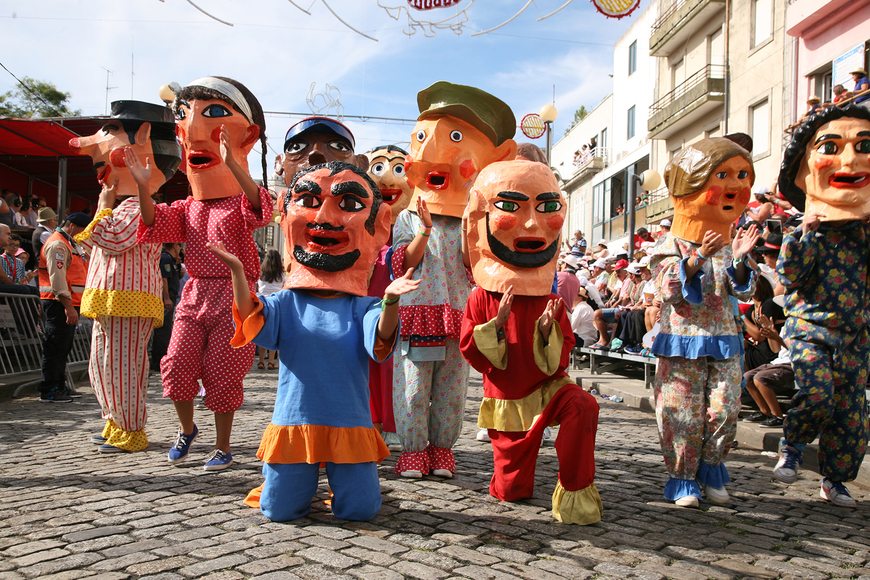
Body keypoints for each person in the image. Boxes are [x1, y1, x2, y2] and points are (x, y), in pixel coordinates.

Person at [227, 160, 418, 522]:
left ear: (378, 226)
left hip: (350, 423)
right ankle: (278, 479)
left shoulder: (363, 306)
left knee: (360, 510)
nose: (326, 218)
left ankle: (347, 485)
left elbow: (379, 340)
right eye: (309, 201)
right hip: (295, 422)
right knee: (279, 510)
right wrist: (239, 272)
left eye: (348, 204)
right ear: (286, 216)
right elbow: (253, 318)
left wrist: (391, 300)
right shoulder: (286, 303)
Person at [137, 76, 273, 470]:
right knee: (176, 368)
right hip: (194, 293)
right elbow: (152, 222)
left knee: (223, 374)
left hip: (236, 297)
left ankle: (224, 447)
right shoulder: (185, 208)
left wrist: (232, 162)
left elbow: (260, 206)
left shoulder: (240, 201)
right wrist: (145, 188)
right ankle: (187, 429)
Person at [461, 159, 602, 525]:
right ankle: (507, 479)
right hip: (508, 398)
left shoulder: (549, 299)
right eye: (509, 206)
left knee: (583, 406)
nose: (531, 223)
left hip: (547, 387)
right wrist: (496, 325)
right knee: (511, 491)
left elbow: (561, 360)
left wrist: (546, 333)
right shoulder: (481, 297)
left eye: (547, 208)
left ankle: (575, 496)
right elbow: (473, 355)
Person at [391, 81, 517, 479]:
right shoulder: (407, 216)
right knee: (413, 389)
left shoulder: (473, 220)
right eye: (423, 138)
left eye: (455, 137)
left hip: (458, 314)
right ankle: (413, 451)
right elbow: (402, 266)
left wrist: (473, 222)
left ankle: (442, 450)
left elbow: (473, 265)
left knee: (450, 390)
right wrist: (424, 230)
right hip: (417, 312)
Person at [649, 138, 758, 507]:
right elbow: (667, 287)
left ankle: (711, 469)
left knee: (725, 408)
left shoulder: (732, 239)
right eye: (723, 175)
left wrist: (741, 260)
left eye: (742, 175)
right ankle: (683, 478)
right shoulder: (670, 240)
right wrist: (696, 258)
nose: (735, 185)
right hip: (682, 338)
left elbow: (744, 290)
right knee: (681, 412)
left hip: (724, 337)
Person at [772, 104, 870, 507]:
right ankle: (792, 444)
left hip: (854, 332)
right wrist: (808, 234)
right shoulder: (803, 232)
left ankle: (835, 480)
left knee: (851, 414)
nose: (850, 159)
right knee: (817, 395)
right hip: (810, 327)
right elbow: (790, 275)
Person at [37, 212, 91, 403]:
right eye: (83, 230)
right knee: (55, 346)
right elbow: (58, 279)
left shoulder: (69, 243)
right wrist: (68, 307)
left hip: (68, 302)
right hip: (57, 302)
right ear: (73, 227)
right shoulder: (58, 244)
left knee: (64, 346)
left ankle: (59, 385)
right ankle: (49, 389)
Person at [152, 242, 181, 371]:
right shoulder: (165, 258)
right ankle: (158, 361)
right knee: (163, 331)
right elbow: (164, 279)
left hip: (171, 297)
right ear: (175, 246)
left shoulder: (172, 260)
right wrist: (167, 298)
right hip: (166, 299)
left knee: (167, 329)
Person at [256, 249, 285, 370]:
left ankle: (261, 361)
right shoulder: (281, 274)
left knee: (263, 332)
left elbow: (256, 288)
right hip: (277, 304)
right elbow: (285, 288)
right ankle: (271, 362)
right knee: (274, 333)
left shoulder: (261, 273)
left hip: (262, 303)